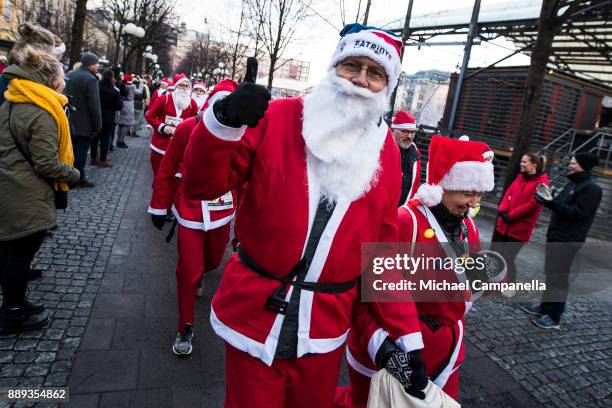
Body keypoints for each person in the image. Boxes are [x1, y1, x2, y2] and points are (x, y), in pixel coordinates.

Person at [182, 24, 425, 407]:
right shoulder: (278, 117)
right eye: (352, 66)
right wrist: (224, 122)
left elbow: (382, 253)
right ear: (333, 68)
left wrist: (407, 336)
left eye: (375, 72)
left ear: (387, 85)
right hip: (253, 313)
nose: (360, 80)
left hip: (324, 327)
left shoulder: (388, 152)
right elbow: (200, 186)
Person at [338, 135, 496, 407]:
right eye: (468, 193)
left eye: (479, 195)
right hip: (392, 356)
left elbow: (466, 285)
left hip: (445, 357)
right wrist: (384, 349)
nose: (474, 204)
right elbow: (361, 293)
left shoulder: (466, 227)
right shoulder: (404, 223)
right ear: (444, 186)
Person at [149, 80, 238, 356]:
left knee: (212, 261)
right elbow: (167, 167)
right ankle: (184, 325)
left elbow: (247, 180)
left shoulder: (242, 134)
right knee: (188, 270)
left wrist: (246, 226)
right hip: (189, 210)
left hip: (222, 213)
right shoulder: (188, 128)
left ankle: (202, 274)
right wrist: (159, 205)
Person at [0, 44, 80, 335]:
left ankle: (14, 303)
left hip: (11, 186)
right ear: (49, 80)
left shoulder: (14, 99)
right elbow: (46, 163)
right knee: (20, 253)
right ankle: (13, 313)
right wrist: (73, 174)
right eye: (61, 75)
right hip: (25, 192)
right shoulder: (41, 110)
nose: (64, 80)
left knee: (11, 250)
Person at [522, 152, 602, 329]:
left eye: (573, 163)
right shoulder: (573, 182)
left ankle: (554, 316)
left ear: (583, 165)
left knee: (559, 277)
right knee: (551, 273)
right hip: (556, 235)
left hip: (568, 239)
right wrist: (544, 198)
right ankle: (545, 307)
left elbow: (578, 214)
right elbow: (559, 204)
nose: (570, 165)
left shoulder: (592, 188)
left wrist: (551, 203)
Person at [493, 153, 548, 297]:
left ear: (534, 165)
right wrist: (503, 210)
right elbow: (507, 194)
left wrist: (511, 215)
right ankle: (497, 283)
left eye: (524, 162)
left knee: (509, 258)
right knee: (498, 255)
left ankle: (510, 285)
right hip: (504, 224)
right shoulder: (520, 177)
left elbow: (532, 206)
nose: (521, 164)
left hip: (519, 229)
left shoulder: (541, 183)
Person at [145, 73, 197, 182]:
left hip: (179, 148)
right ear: (175, 86)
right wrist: (162, 127)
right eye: (181, 85)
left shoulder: (192, 103)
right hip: (160, 146)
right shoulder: (165, 99)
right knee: (159, 178)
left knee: (172, 181)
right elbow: (150, 116)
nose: (184, 88)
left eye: (187, 86)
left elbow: (194, 123)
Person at [65, 52, 102, 188]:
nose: (98, 66)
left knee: (69, 150)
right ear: (91, 64)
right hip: (84, 124)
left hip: (68, 120)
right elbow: (94, 104)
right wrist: (98, 125)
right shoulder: (91, 79)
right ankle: (78, 179)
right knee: (80, 153)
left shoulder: (69, 75)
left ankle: (67, 175)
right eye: (97, 63)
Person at [93, 69, 123, 167]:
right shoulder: (114, 91)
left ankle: (93, 158)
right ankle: (102, 159)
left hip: (96, 116)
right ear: (112, 78)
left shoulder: (97, 87)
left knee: (95, 138)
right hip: (109, 118)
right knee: (105, 139)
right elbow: (119, 106)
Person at [391, 110, 420, 206]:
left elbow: (415, 184)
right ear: (393, 130)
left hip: (402, 209)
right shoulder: (383, 147)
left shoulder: (415, 151)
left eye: (412, 132)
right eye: (405, 131)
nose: (410, 136)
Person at [116, 74, 143, 148]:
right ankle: (121, 142)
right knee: (126, 125)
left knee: (120, 124)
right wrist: (141, 83)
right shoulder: (133, 86)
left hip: (121, 103)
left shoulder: (121, 85)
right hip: (129, 105)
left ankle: (118, 141)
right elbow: (139, 92)